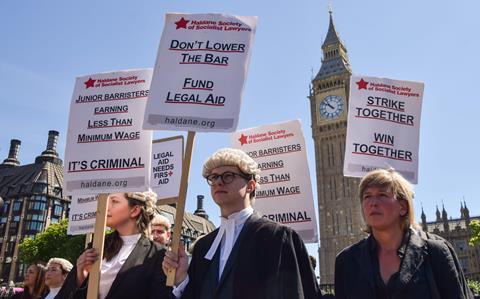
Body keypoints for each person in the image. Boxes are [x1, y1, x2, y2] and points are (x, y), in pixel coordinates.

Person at [163, 148, 320, 299]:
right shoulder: (203, 246)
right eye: (213, 177)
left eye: (228, 176)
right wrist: (181, 280)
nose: (218, 182)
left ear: (250, 186)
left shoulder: (278, 237)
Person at [334, 168, 473, 299]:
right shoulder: (346, 261)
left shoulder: (436, 253)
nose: (373, 202)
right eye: (367, 196)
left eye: (382, 195)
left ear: (403, 207)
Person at [57, 191, 172, 299]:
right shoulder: (98, 244)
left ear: (134, 210)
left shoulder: (157, 254)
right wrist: (80, 275)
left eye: (114, 201)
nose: (106, 206)